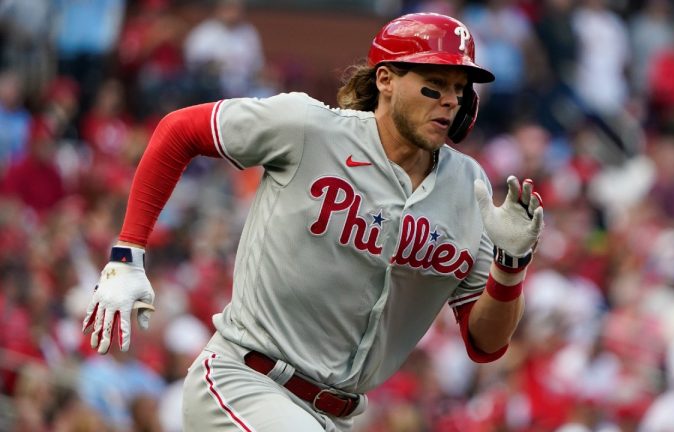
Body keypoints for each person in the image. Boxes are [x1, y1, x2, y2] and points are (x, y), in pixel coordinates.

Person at [81, 12, 544, 431]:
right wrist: (127, 253)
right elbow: (179, 130)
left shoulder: (469, 188)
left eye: (459, 89)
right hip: (245, 381)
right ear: (386, 79)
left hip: (335, 416)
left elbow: (486, 343)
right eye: (434, 84)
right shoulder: (309, 128)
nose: (450, 101)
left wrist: (510, 263)